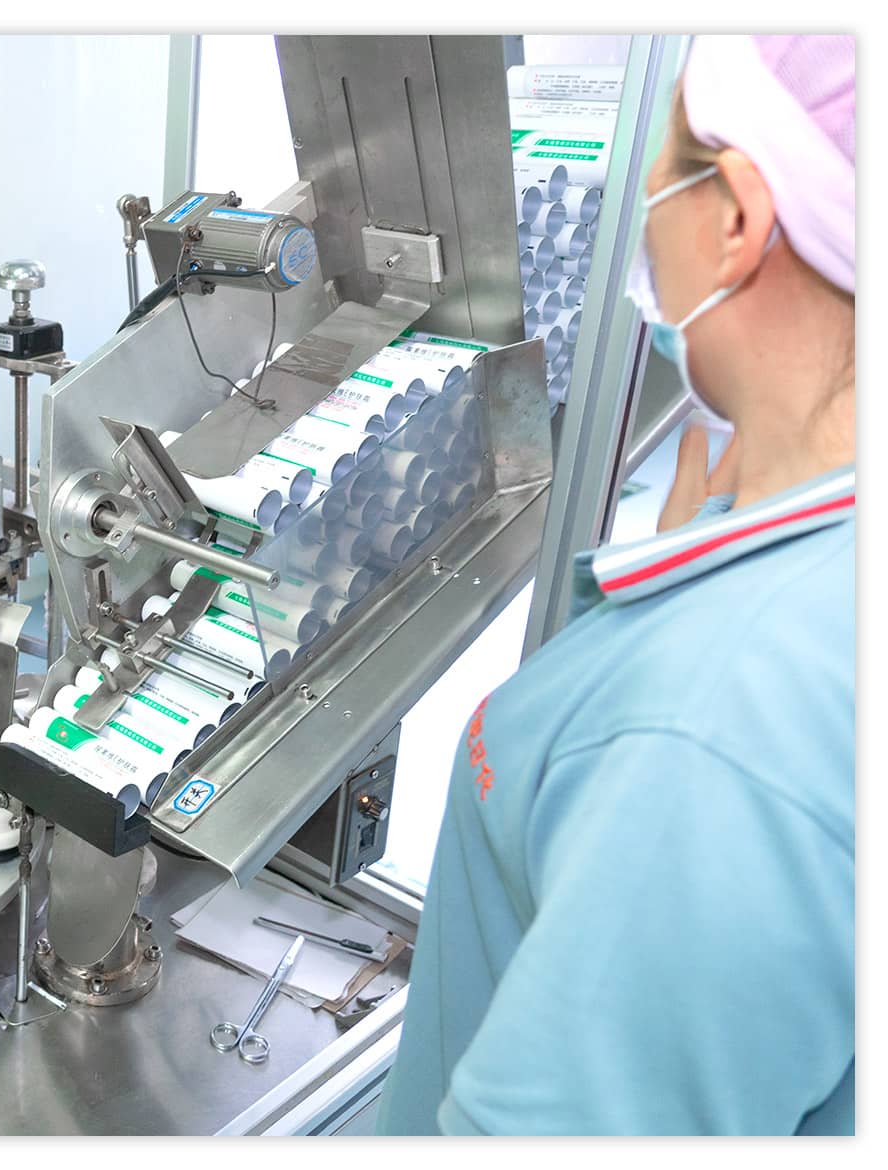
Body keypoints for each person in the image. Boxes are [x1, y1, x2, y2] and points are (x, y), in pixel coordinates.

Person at [377, 35, 855, 1135]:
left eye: (662, 171)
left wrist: (690, 652)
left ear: (737, 219)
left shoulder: (715, 736)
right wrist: (688, 594)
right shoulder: (799, 560)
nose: (639, 211)